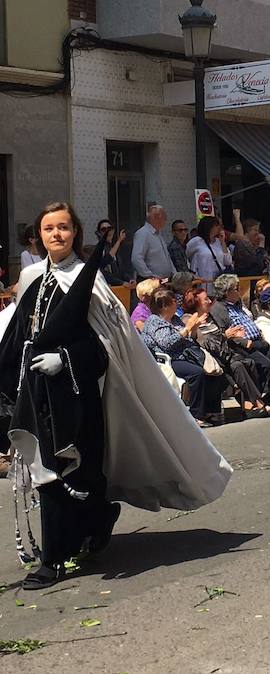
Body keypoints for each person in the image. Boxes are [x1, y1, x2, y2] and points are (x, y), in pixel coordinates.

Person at [0, 202, 231, 589]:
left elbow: (108, 344)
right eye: (48, 229)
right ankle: (54, 558)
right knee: (44, 470)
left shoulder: (88, 280)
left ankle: (95, 519)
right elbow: (18, 335)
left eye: (63, 227)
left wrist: (66, 359)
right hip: (37, 388)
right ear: (38, 236)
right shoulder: (29, 277)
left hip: (78, 389)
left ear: (75, 232)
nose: (56, 235)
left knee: (82, 471)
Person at [141, 287, 229, 427]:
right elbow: (166, 343)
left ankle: (211, 411)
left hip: (184, 353)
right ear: (165, 305)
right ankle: (195, 415)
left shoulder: (175, 319)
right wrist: (187, 328)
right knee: (197, 373)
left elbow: (190, 338)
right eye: (174, 301)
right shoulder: (154, 321)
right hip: (168, 359)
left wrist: (194, 328)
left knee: (214, 369)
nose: (177, 303)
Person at [182, 287, 270, 418]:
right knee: (238, 366)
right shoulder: (189, 319)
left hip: (224, 352)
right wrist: (225, 336)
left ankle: (250, 404)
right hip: (210, 357)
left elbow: (219, 336)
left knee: (250, 363)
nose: (209, 301)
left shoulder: (210, 317)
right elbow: (202, 343)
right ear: (196, 303)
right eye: (205, 299)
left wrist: (232, 334)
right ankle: (258, 402)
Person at [208, 274, 270, 410]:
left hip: (259, 341)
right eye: (236, 288)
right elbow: (225, 333)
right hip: (243, 345)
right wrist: (243, 342)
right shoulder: (219, 309)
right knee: (265, 364)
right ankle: (252, 399)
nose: (240, 290)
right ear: (227, 292)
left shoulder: (238, 304)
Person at [131, 204, 175, 281]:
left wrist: (174, 273)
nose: (166, 220)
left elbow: (167, 257)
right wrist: (149, 276)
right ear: (156, 217)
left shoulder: (158, 234)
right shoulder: (143, 233)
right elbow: (136, 258)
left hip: (165, 281)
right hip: (151, 282)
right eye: (164, 217)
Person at [187, 216, 232, 290]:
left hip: (218, 280)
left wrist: (223, 242)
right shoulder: (197, 241)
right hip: (203, 280)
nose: (219, 228)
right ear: (209, 227)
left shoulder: (219, 242)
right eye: (216, 225)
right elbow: (187, 253)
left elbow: (228, 261)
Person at [95, 220, 129, 286]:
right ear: (99, 233)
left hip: (119, 288)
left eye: (109, 228)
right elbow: (103, 268)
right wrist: (119, 241)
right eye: (103, 229)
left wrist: (129, 279)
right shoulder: (99, 249)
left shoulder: (114, 248)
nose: (108, 231)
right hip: (107, 289)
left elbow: (121, 271)